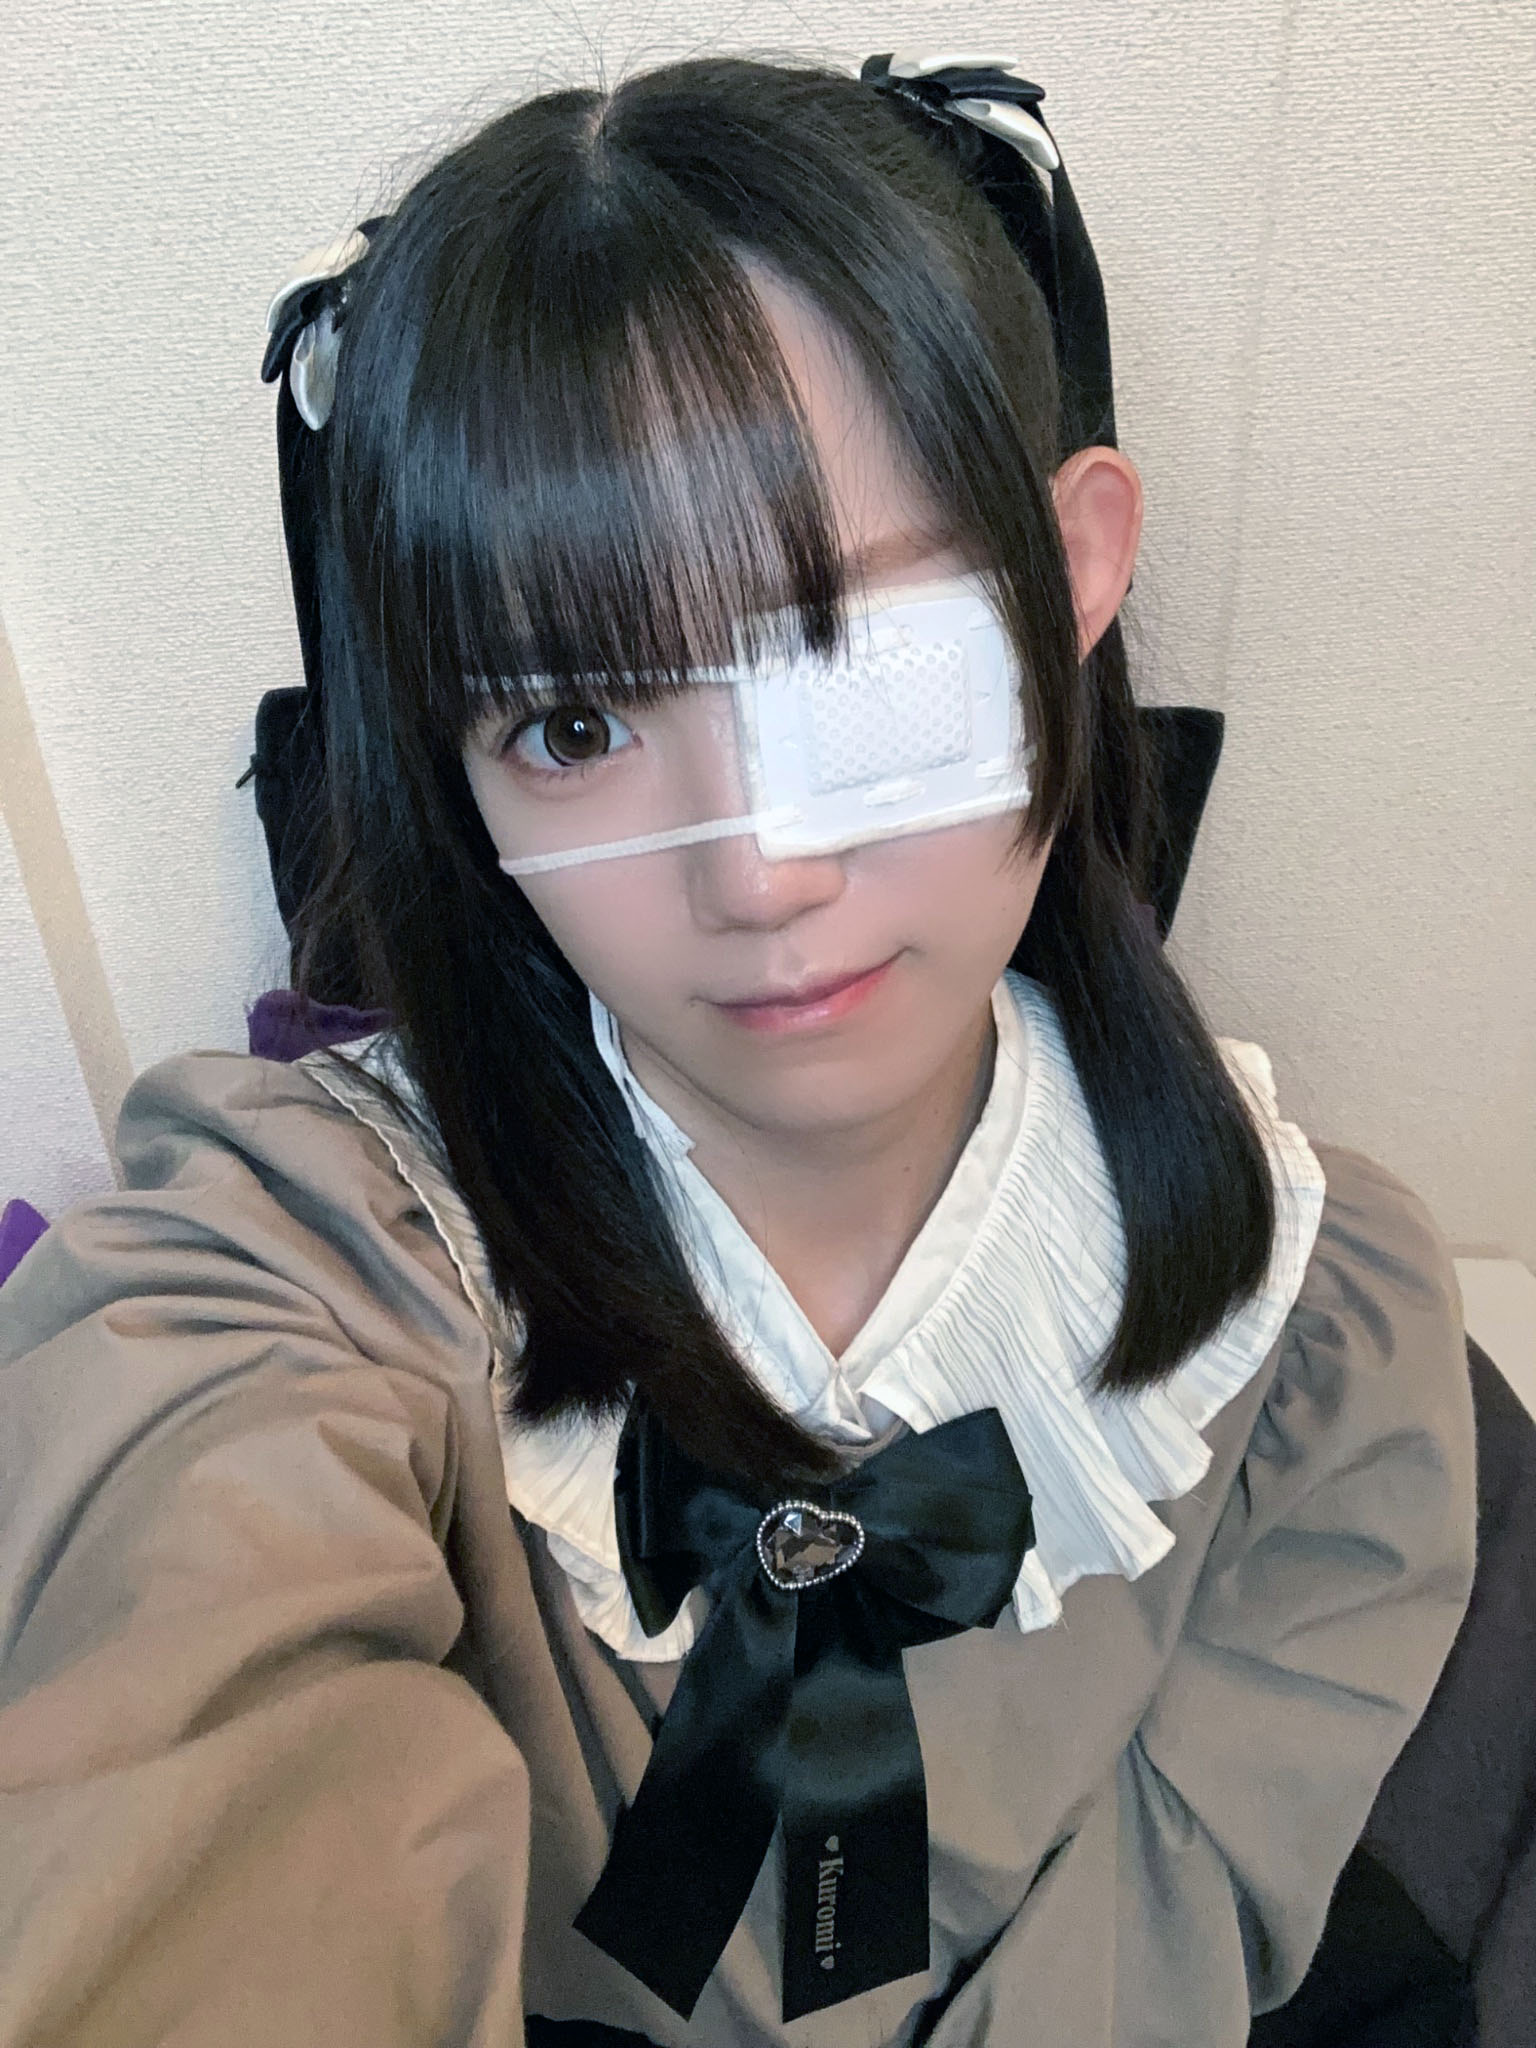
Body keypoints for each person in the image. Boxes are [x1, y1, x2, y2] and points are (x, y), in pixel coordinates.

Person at [0, 51, 1477, 2048]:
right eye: (574, 727)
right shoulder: (301, 1262)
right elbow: (175, 1778)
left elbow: (1179, 1912)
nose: (759, 873)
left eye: (850, 655)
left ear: (1071, 576)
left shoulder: (1327, 1338)